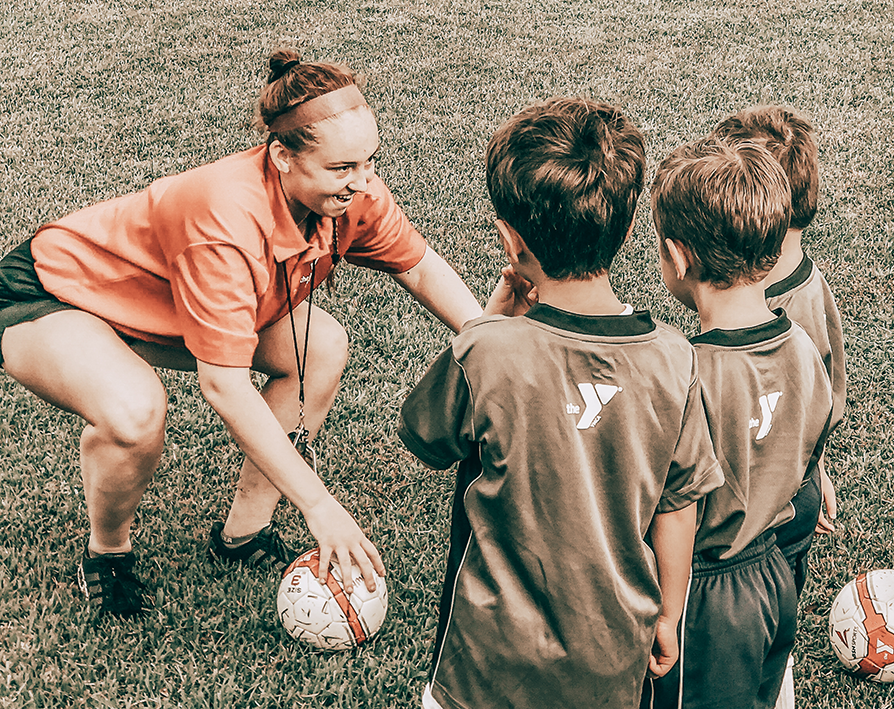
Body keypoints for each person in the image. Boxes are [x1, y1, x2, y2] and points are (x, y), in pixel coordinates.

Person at [0, 50, 482, 617]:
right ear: (281, 156)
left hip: (167, 303)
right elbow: (225, 385)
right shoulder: (223, 221)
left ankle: (243, 534)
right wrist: (318, 505)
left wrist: (494, 344)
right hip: (59, 292)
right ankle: (107, 555)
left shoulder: (352, 194)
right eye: (342, 168)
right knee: (133, 412)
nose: (363, 181)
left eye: (369, 161)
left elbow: (420, 268)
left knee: (320, 346)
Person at [398, 96, 724, 709]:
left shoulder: (487, 353)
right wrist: (669, 615)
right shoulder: (676, 359)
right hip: (610, 665)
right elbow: (678, 506)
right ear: (628, 230)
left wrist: (490, 318)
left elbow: (424, 435)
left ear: (509, 240)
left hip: (484, 669)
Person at [641, 137, 833, 709]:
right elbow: (810, 445)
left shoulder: (686, 370)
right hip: (773, 579)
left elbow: (671, 501)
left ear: (678, 257)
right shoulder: (802, 346)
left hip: (701, 590)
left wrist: (668, 608)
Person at [714, 106, 845, 707]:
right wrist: (815, 469)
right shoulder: (811, 287)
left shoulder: (775, 307)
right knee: (774, 616)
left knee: (746, 636)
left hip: (745, 516)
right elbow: (820, 403)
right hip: (795, 490)